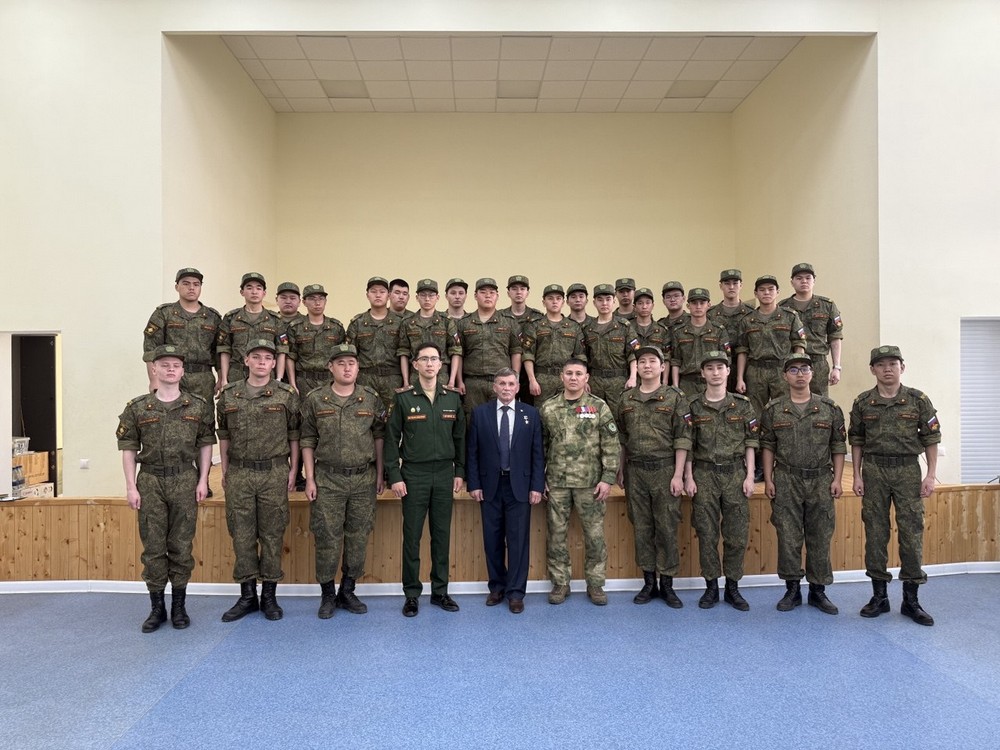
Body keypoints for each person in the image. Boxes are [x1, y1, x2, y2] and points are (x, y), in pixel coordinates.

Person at [117, 345, 215, 632]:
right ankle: (157, 608)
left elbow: (205, 445)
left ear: (183, 371)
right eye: (165, 365)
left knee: (182, 545)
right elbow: (128, 449)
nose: (171, 369)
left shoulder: (197, 406)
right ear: (154, 369)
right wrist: (131, 486)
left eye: (176, 365)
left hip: (185, 478)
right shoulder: (137, 408)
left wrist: (203, 479)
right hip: (150, 481)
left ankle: (179, 606)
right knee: (154, 546)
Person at [849, 345, 940, 626]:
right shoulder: (863, 402)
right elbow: (857, 441)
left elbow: (931, 439)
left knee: (911, 533)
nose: (887, 369)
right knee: (875, 533)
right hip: (874, 470)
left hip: (907, 470)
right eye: (881, 364)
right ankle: (880, 596)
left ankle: (911, 600)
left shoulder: (918, 400)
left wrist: (930, 475)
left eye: (893, 363)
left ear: (902, 367)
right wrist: (857, 475)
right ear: (872, 369)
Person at [300, 344, 387, 618]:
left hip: (363, 479)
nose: (347, 368)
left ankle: (348, 590)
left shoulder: (370, 398)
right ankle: (327, 594)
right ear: (330, 367)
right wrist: (309, 478)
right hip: (327, 479)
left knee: (358, 536)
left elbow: (379, 437)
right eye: (341, 363)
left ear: (358, 367)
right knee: (327, 536)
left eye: (351, 363)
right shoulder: (316, 399)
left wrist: (380, 473)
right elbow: (307, 439)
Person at [216, 339, 300, 622]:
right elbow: (224, 436)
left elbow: (294, 435)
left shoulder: (286, 395)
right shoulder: (229, 395)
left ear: (274, 363)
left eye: (267, 357)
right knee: (241, 534)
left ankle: (269, 596)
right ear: (246, 361)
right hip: (239, 472)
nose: (262, 362)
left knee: (272, 534)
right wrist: (225, 469)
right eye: (256, 357)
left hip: (274, 472)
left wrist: (293, 469)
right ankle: (248, 595)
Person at [760, 353, 846, 615]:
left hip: (820, 480)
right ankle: (792, 589)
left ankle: (818, 591)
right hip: (787, 479)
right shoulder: (773, 409)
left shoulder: (829, 408)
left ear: (812, 374)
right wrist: (769, 479)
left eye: (805, 369)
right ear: (785, 376)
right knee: (788, 537)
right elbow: (768, 446)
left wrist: (837, 479)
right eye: (794, 370)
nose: (800, 374)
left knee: (820, 536)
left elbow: (838, 446)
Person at [385, 343, 466, 617]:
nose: (430, 364)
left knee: (441, 536)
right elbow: (391, 440)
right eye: (424, 359)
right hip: (413, 475)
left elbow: (460, 438)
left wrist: (459, 472)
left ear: (441, 364)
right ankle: (411, 594)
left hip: (444, 474)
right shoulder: (403, 399)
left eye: (434, 359)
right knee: (412, 537)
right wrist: (394, 476)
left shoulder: (452, 398)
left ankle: (440, 591)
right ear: (415, 365)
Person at [681, 351, 758, 611]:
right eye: (710, 368)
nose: (715, 372)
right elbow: (688, 444)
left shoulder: (743, 405)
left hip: (735, 474)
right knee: (707, 533)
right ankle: (711, 586)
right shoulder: (692, 406)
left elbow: (751, 442)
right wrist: (688, 477)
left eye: (720, 367)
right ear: (702, 373)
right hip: (704, 474)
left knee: (736, 534)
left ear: (728, 372)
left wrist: (750, 476)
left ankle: (733, 587)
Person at [539, 358, 620, 606]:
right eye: (569, 373)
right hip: (557, 483)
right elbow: (540, 446)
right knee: (556, 535)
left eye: (578, 374)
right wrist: (539, 478)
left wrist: (608, 478)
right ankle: (560, 583)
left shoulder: (599, 407)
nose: (573, 378)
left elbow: (611, 445)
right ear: (561, 377)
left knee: (594, 536)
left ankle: (595, 584)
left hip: (590, 483)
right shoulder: (548, 407)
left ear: (586, 378)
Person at [614, 346, 688, 608]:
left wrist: (678, 475)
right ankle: (648, 582)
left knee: (667, 527)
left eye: (652, 361)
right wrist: (620, 469)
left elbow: (683, 437)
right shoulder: (626, 399)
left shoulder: (675, 398)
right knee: (642, 527)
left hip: (665, 469)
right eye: (642, 361)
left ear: (662, 367)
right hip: (636, 471)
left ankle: (667, 584)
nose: (647, 365)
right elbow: (622, 438)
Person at [466, 369, 545, 613]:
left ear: (518, 387)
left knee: (518, 541)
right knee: (492, 539)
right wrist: (474, 483)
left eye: (511, 384)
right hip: (490, 486)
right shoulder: (480, 413)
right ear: (494, 387)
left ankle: (516, 593)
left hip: (520, 486)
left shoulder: (530, 414)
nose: (506, 388)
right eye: (502, 383)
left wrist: (536, 486)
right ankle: (497, 587)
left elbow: (537, 453)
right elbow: (472, 452)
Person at [142, 267, 221, 402]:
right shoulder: (164, 313)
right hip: (171, 377)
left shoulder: (212, 317)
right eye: (186, 283)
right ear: (176, 287)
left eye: (196, 284)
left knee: (204, 414)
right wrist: (154, 380)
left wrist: (221, 378)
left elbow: (218, 351)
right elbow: (151, 348)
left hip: (203, 379)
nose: (191, 288)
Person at [734, 275, 807, 416]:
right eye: (762, 290)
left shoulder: (790, 316)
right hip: (756, 371)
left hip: (782, 370)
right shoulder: (747, 320)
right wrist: (740, 378)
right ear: (756, 294)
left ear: (777, 292)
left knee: (784, 412)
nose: (766, 293)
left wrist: (798, 372)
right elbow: (742, 350)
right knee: (755, 413)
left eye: (770, 289)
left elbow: (799, 345)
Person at [454, 278, 522, 421]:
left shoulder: (509, 321)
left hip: (501, 382)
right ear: (475, 296)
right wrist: (459, 381)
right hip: (473, 383)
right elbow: (459, 353)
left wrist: (514, 380)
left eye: (492, 292)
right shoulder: (464, 323)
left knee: (501, 422)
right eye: (483, 292)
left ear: (497, 296)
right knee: (472, 421)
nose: (488, 296)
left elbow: (516, 352)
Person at [779, 263, 844, 396]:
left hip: (818, 363)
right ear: (792, 282)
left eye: (808, 278)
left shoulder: (827, 306)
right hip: (791, 363)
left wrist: (836, 367)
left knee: (820, 402)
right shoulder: (782, 308)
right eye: (799, 278)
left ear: (814, 280)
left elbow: (835, 337)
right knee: (789, 401)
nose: (804, 281)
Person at [217, 272, 289, 390]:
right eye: (249, 288)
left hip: (266, 377)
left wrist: (279, 379)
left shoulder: (275, 319)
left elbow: (282, 351)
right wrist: (224, 379)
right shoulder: (231, 318)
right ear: (242, 292)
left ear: (264, 293)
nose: (254, 292)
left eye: (258, 288)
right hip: (236, 375)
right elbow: (224, 350)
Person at [346, 276, 404, 415]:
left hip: (393, 379)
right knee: (364, 415)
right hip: (365, 379)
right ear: (367, 295)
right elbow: (351, 355)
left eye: (382, 291)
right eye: (373, 291)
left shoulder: (401, 322)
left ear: (388, 295)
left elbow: (405, 352)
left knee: (393, 417)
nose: (378, 295)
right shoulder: (357, 323)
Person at [522, 284, 587, 403]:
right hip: (542, 379)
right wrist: (532, 380)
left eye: (558, 298)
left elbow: (580, 356)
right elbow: (528, 354)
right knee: (542, 412)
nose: (554, 302)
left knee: (569, 411)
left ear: (563, 302)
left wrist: (581, 380)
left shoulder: (574, 327)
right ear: (544, 302)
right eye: (550, 298)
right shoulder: (535, 325)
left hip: (567, 378)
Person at [583, 283, 638, 414]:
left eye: (608, 299)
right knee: (594, 416)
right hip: (595, 381)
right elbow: (583, 356)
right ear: (594, 303)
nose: (604, 303)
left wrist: (633, 378)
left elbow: (634, 353)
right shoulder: (587, 328)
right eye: (600, 300)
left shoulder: (624, 326)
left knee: (620, 416)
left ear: (614, 301)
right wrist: (584, 380)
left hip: (619, 381)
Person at [398, 278, 461, 389]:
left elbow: (455, 351)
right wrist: (406, 381)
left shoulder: (446, 321)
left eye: (431, 295)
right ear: (417, 297)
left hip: (442, 376)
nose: (427, 299)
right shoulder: (407, 322)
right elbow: (404, 352)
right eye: (423, 295)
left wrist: (452, 381)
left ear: (437, 297)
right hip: (415, 376)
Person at [286, 284, 346, 395]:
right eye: (312, 299)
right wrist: (292, 383)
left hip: (330, 381)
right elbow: (290, 357)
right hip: (304, 382)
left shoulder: (336, 327)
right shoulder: (295, 327)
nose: (317, 303)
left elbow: (342, 357)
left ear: (325, 301)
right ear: (304, 302)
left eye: (321, 299)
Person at [669, 287, 730, 395]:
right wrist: (676, 386)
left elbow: (726, 359)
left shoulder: (718, 330)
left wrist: (723, 385)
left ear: (708, 305)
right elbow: (676, 361)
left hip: (711, 381)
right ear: (688, 306)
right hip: (687, 383)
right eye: (694, 303)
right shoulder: (679, 332)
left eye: (702, 303)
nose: (698, 306)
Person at [708, 269, 755, 392]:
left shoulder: (751, 312)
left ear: (741, 285)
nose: (731, 287)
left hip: (746, 367)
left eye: (735, 283)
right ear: (721, 286)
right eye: (727, 283)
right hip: (719, 367)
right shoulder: (711, 314)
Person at [500, 274, 543, 404]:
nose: (518, 292)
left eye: (522, 289)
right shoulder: (501, 316)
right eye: (514, 289)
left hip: (532, 372)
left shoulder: (538, 317)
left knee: (528, 407)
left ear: (527, 292)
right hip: (507, 369)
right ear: (508, 293)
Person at [631, 287, 671, 358]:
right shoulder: (628, 328)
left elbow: (667, 356)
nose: (644, 306)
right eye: (640, 303)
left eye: (648, 303)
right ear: (634, 307)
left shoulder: (662, 330)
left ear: (652, 306)